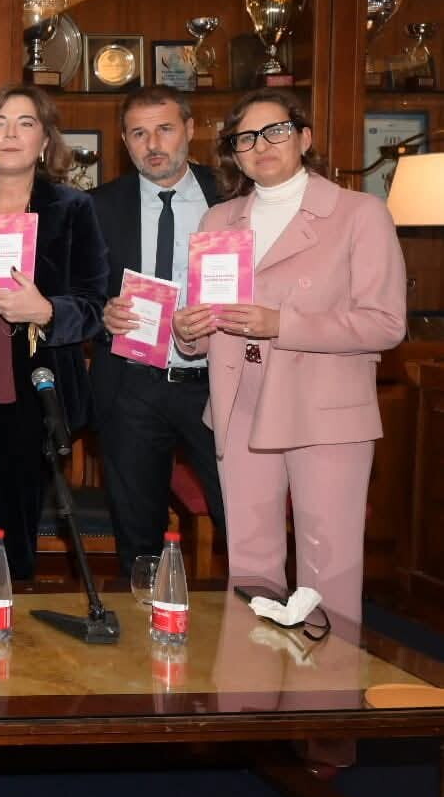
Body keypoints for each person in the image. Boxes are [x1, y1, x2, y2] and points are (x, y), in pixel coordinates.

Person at [172, 89, 405, 640]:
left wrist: (283, 323)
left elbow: (385, 324)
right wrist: (187, 331)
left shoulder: (360, 214)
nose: (261, 145)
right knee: (250, 563)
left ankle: (328, 687)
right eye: (245, 138)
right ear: (234, 153)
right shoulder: (219, 219)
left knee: (329, 565)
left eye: (274, 131)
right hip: (240, 403)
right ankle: (251, 684)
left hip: (323, 408)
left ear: (304, 138)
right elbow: (207, 328)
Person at [0, 84, 108, 583]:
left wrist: (46, 310)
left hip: (37, 387)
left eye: (25, 123)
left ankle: (12, 623)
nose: (10, 134)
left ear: (45, 141)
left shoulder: (73, 207)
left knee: (16, 526)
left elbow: (95, 305)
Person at [89, 86, 226, 576]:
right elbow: (78, 294)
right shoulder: (98, 206)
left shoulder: (232, 195)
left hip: (218, 385)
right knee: (138, 539)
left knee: (242, 525)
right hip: (132, 386)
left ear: (189, 129)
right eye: (139, 133)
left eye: (165, 129)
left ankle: (248, 618)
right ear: (125, 141)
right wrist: (102, 315)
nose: (153, 145)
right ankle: (144, 617)